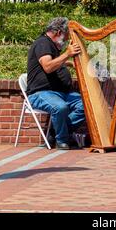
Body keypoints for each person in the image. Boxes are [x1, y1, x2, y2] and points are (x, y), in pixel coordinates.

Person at [26, 17, 85, 150]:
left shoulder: (53, 46)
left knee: (86, 105)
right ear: (58, 32)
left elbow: (55, 61)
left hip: (60, 93)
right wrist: (67, 54)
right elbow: (47, 66)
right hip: (40, 93)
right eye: (66, 37)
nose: (65, 41)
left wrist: (69, 63)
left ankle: (55, 131)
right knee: (60, 107)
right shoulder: (43, 43)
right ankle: (61, 140)